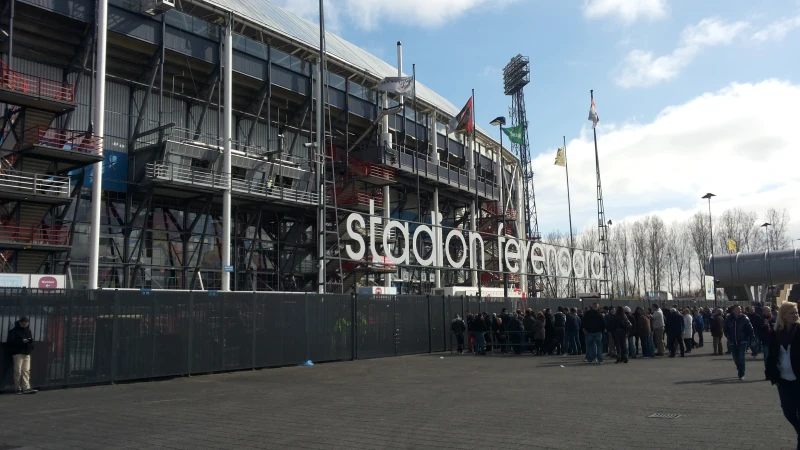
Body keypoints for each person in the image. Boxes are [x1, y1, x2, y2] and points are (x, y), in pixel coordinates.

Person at [765, 302, 800, 450]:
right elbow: (771, 357)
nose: (796, 315)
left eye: (796, 312)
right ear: (783, 316)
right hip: (784, 380)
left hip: (799, 379)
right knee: (789, 412)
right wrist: (772, 375)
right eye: (792, 313)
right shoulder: (776, 335)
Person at [7, 316, 36, 394]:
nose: (25, 325)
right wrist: (22, 341)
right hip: (18, 352)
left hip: (26, 352)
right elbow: (10, 342)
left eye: (26, 323)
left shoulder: (28, 331)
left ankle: (26, 387)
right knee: (18, 370)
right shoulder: (14, 331)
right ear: (20, 323)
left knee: (26, 370)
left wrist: (29, 344)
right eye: (23, 323)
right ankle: (18, 388)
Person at [725, 305, 754, 380]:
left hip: (742, 341)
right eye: (737, 309)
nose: (739, 311)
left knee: (741, 357)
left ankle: (741, 373)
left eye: (740, 309)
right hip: (732, 341)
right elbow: (725, 329)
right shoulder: (729, 319)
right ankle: (739, 368)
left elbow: (750, 329)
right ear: (733, 310)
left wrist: (751, 338)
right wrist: (728, 337)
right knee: (735, 358)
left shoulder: (744, 318)